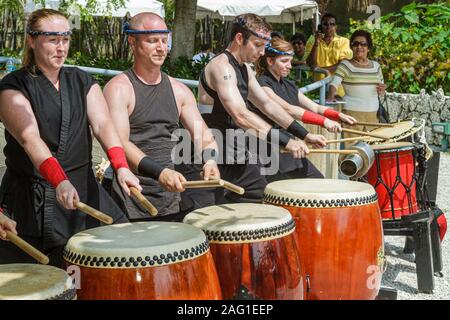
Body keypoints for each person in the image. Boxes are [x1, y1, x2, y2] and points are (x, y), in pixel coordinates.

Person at [0, 9, 140, 267]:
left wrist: (121, 166)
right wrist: (59, 181)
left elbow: (102, 124)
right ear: (32, 40)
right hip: (32, 197)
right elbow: (31, 139)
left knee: (124, 250)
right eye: (52, 39)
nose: (61, 47)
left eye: (65, 38)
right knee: (40, 278)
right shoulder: (13, 86)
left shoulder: (81, 79)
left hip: (82, 186)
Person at [183, 13, 327, 207]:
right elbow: (240, 115)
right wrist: (286, 142)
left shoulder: (245, 69)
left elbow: (267, 105)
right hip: (210, 153)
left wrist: (303, 134)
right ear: (240, 38)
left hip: (236, 154)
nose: (261, 52)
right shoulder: (222, 67)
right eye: (257, 45)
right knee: (205, 219)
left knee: (264, 201)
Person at [103, 13, 220, 221]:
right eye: (152, 40)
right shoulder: (119, 88)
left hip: (171, 195)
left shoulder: (179, 90)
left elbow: (204, 135)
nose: (161, 47)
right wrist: (159, 173)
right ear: (132, 41)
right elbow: (120, 142)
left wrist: (210, 161)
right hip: (131, 194)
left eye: (164, 41)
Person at [256, 37, 356, 181]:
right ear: (270, 61)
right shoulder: (262, 84)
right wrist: (324, 122)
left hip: (289, 147)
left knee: (317, 182)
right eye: (284, 61)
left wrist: (336, 115)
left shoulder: (288, 85)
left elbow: (314, 106)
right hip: (269, 148)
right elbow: (288, 109)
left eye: (290, 61)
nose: (289, 66)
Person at [328, 30, 385, 145]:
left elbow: (381, 89)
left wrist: (382, 90)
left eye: (363, 44)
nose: (359, 47)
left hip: (373, 114)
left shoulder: (376, 66)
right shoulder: (345, 65)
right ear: (351, 47)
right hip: (352, 114)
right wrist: (331, 98)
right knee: (352, 150)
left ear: (368, 48)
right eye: (355, 44)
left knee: (373, 149)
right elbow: (333, 84)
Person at [305, 13, 353, 97]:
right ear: (320, 26)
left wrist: (321, 70)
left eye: (332, 24)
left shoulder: (344, 41)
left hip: (338, 90)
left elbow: (342, 65)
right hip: (317, 89)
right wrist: (316, 43)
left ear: (336, 27)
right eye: (325, 24)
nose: (328, 27)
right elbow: (310, 63)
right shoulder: (312, 41)